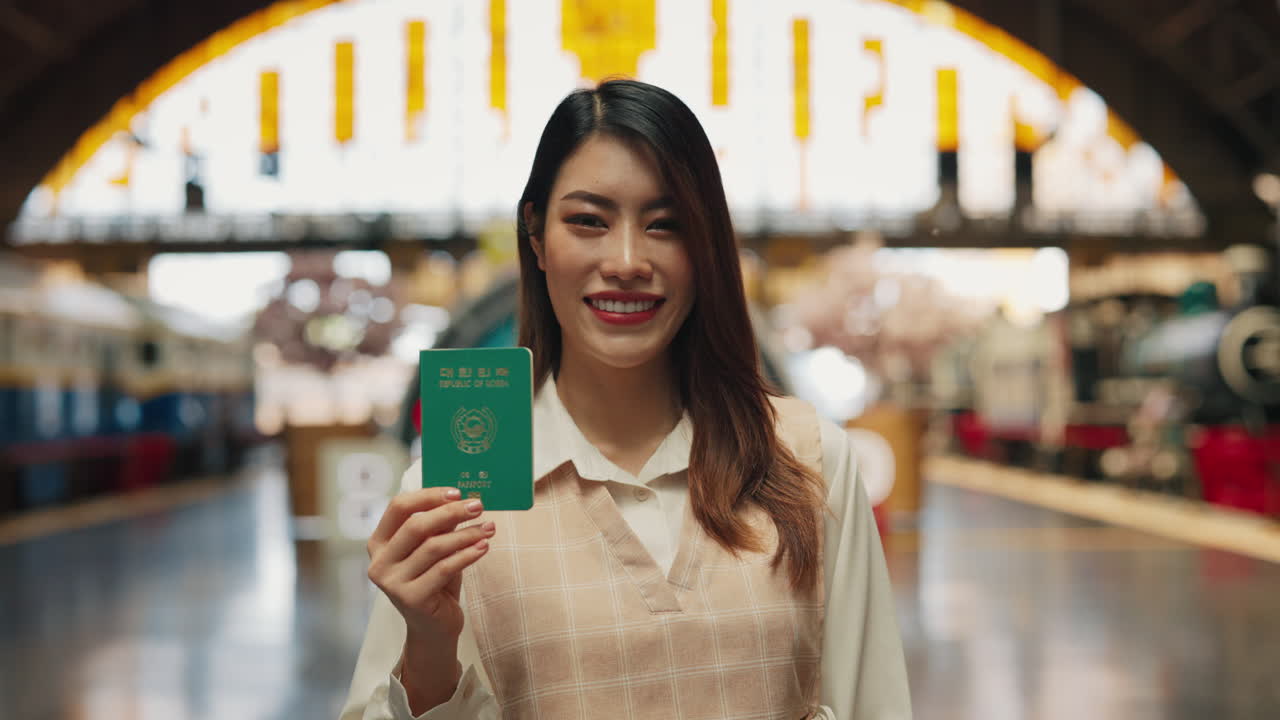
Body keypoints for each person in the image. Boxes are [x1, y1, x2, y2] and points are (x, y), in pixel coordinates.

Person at [341, 79, 911, 719]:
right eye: (588, 221)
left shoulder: (811, 462)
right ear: (536, 236)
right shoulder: (452, 495)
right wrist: (426, 643)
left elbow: (875, 705)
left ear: (705, 248)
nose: (628, 260)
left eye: (666, 225)